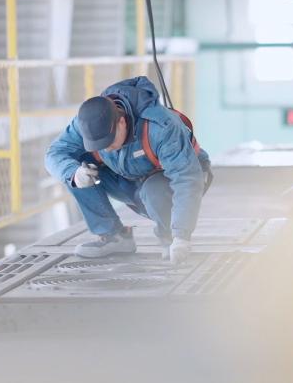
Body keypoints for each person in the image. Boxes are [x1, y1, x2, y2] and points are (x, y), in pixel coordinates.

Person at [45, 76, 212, 264]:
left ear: (122, 122)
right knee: (74, 169)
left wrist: (182, 235)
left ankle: (169, 238)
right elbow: (54, 154)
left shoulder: (160, 127)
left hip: (173, 179)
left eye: (109, 141)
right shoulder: (88, 123)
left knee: (154, 190)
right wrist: (74, 174)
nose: (107, 149)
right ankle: (114, 236)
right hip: (130, 177)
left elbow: (186, 179)